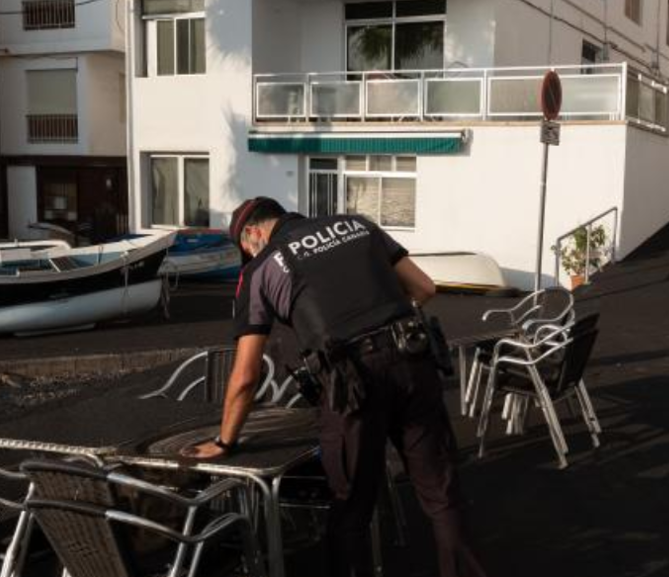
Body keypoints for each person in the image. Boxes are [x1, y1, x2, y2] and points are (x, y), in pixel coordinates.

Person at [182, 197, 489, 577]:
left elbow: (246, 375)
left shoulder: (260, 269)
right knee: (442, 495)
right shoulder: (357, 224)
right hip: (413, 358)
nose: (248, 254)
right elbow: (424, 288)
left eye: (245, 248)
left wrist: (225, 441)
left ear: (253, 233)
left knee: (351, 506)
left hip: (352, 381)